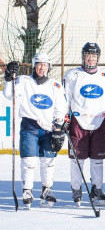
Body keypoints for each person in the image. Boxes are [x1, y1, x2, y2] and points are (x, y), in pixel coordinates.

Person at [3, 54, 67, 207]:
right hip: (29, 126)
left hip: (49, 128)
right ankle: (27, 190)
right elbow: (8, 93)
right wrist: (7, 78)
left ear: (49, 67)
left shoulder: (55, 85)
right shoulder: (24, 81)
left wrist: (59, 126)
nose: (42, 67)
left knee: (48, 162)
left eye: (45, 65)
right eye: (39, 64)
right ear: (34, 65)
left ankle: (47, 190)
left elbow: (61, 107)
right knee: (29, 161)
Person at [63, 42, 105, 205]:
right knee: (77, 159)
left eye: (94, 55)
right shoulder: (72, 75)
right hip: (78, 121)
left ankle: (97, 189)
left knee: (97, 160)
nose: (91, 58)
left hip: (99, 121)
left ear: (98, 57)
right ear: (83, 56)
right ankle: (76, 188)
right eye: (88, 55)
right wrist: (64, 117)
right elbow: (66, 98)